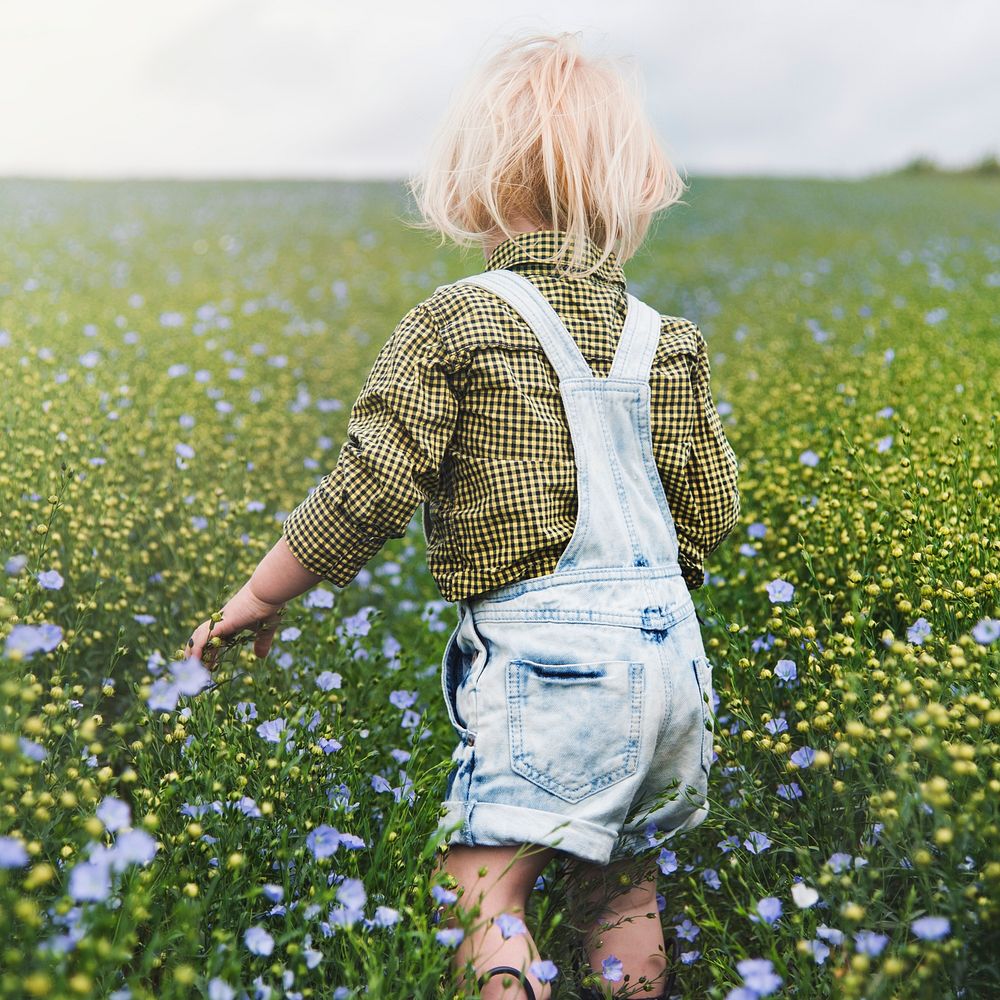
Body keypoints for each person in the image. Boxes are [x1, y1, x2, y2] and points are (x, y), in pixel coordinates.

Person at [186, 29, 740, 1000]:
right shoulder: (670, 342)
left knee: (483, 886)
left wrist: (257, 596)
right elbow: (710, 507)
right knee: (620, 888)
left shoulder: (455, 321)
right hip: (668, 663)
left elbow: (366, 492)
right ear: (633, 189)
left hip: (548, 661)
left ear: (474, 188)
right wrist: (642, 593)